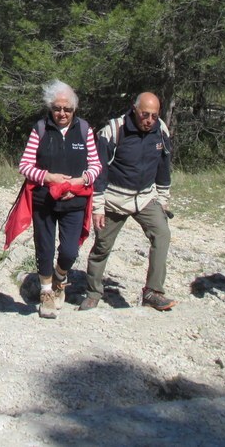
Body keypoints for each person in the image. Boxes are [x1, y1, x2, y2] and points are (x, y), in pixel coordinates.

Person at [80, 92, 176, 312]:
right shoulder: (114, 131)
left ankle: (153, 292)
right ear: (134, 109)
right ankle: (93, 293)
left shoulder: (160, 131)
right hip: (114, 198)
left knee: (162, 234)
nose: (149, 120)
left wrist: (163, 199)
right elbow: (99, 171)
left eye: (153, 115)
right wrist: (98, 206)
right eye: (145, 114)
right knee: (102, 246)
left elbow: (163, 167)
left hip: (145, 197)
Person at [17, 80, 102, 319]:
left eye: (67, 109)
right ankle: (46, 292)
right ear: (50, 108)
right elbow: (24, 166)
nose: (61, 113)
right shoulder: (40, 129)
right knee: (44, 248)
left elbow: (96, 166)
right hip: (44, 201)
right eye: (57, 108)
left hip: (75, 202)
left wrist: (80, 181)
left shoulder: (84, 130)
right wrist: (48, 177)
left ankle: (60, 277)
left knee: (69, 251)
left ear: (74, 109)